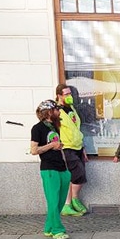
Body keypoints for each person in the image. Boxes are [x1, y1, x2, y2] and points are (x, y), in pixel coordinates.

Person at [29, 100, 70, 239]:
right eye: (56, 109)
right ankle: (58, 230)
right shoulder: (37, 128)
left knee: (60, 201)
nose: (59, 112)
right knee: (53, 201)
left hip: (62, 167)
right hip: (48, 169)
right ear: (49, 112)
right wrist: (51, 145)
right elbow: (34, 150)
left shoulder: (54, 127)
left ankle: (48, 227)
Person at [55, 83, 89, 217]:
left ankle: (71, 201)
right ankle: (70, 202)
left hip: (77, 146)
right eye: (66, 94)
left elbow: (76, 129)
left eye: (70, 94)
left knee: (76, 175)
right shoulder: (57, 111)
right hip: (67, 147)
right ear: (59, 96)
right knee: (78, 174)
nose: (70, 96)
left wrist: (83, 148)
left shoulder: (71, 108)